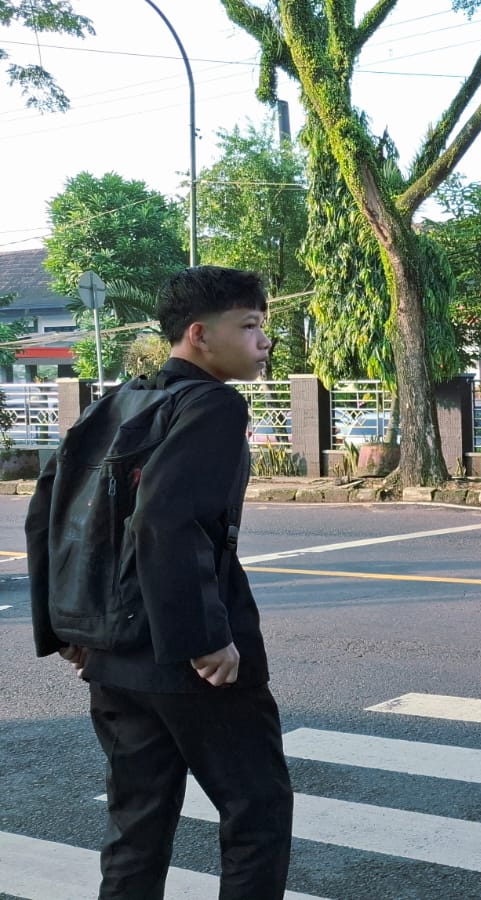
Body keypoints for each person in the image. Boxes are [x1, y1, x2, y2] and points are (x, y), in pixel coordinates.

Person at [26, 266, 293, 899]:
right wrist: (205, 638)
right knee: (256, 810)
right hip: (190, 662)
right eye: (249, 326)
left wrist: (70, 629)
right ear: (199, 334)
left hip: (114, 658)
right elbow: (166, 519)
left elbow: (49, 512)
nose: (264, 341)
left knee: (136, 825)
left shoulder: (117, 401)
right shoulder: (212, 405)